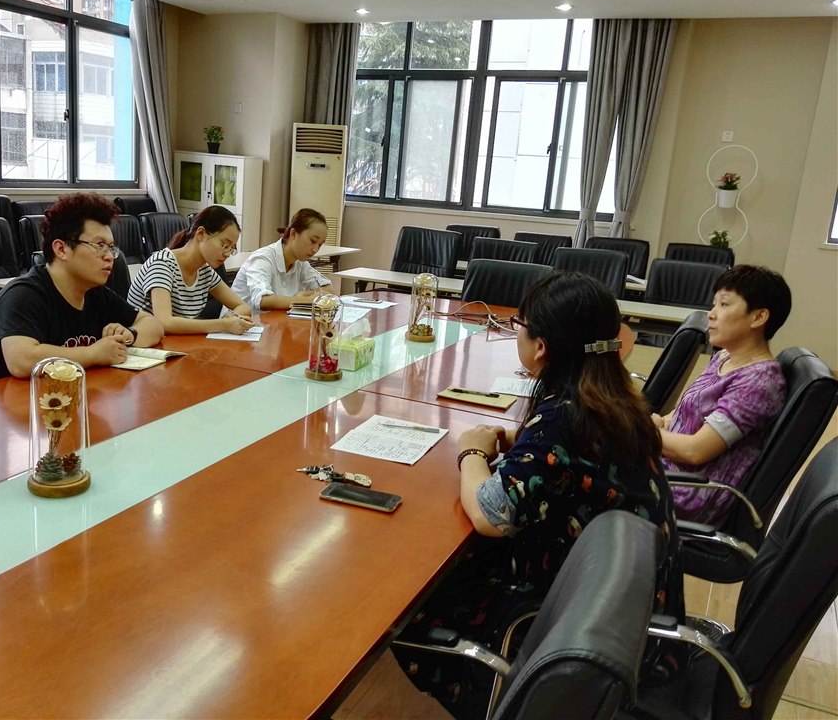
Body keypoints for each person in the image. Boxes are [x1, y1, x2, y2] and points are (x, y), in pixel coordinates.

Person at [394, 272, 681, 719]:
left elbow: (490, 513)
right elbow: (571, 462)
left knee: (408, 589)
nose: (517, 334)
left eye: (519, 326)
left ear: (542, 347)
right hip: (627, 612)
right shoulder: (612, 399)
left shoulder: (566, 418)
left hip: (578, 631)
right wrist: (523, 441)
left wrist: (472, 450)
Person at [0, 193, 164, 386]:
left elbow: (153, 325)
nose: (109, 256)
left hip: (59, 397)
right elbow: (21, 361)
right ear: (61, 249)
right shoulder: (24, 295)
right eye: (100, 245)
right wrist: (93, 354)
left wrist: (129, 334)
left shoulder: (93, 292)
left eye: (111, 248)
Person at [653, 265, 791, 523]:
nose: (712, 314)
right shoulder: (724, 357)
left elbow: (695, 451)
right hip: (665, 470)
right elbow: (683, 413)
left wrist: (638, 432)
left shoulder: (758, 383)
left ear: (758, 317)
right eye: (713, 304)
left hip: (685, 494)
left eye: (724, 304)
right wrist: (659, 422)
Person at [127, 204, 255, 335]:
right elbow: (164, 322)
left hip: (177, 342)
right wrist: (223, 324)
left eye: (232, 248)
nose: (227, 253)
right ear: (201, 234)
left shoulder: (205, 271)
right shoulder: (162, 264)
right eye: (224, 245)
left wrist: (229, 319)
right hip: (143, 343)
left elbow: (243, 307)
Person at [230, 208, 335, 311]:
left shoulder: (300, 263)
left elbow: (329, 290)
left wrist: (305, 294)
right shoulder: (263, 259)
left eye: (320, 244)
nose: (315, 249)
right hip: (239, 320)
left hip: (273, 320)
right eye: (313, 241)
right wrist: (306, 300)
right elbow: (263, 300)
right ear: (293, 234)